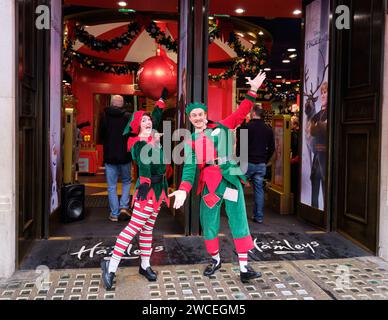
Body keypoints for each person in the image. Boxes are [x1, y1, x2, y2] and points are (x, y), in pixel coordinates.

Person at [169, 72, 266, 283]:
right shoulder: (191, 141)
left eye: (199, 114)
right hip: (210, 186)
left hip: (230, 179)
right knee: (209, 222)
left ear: (205, 114)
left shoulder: (221, 127)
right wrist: (183, 190)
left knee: (239, 220)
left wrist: (253, 90)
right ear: (190, 119)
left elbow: (241, 112)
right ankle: (215, 260)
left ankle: (244, 267)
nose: (197, 117)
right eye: (193, 115)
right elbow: (188, 169)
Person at [101, 89, 169, 289]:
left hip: (158, 191)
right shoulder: (139, 143)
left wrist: (161, 100)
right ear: (136, 127)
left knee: (147, 230)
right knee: (132, 229)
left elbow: (156, 115)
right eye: (143, 122)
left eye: (149, 121)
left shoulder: (151, 138)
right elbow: (144, 165)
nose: (148, 123)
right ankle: (111, 267)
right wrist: (146, 182)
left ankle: (145, 265)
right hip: (147, 191)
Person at [99, 95, 132, 222]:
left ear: (111, 103)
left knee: (111, 186)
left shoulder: (104, 116)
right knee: (126, 181)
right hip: (125, 155)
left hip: (109, 156)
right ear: (122, 104)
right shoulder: (128, 116)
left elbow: (101, 136)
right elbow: (133, 133)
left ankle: (114, 213)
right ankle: (124, 207)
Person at [242, 105, 274, 224]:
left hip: (247, 163)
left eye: (250, 112)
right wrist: (264, 161)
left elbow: (242, 148)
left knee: (238, 188)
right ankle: (259, 217)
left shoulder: (247, 127)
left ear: (254, 113)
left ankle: (238, 217)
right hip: (261, 164)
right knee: (259, 191)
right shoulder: (268, 129)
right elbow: (272, 148)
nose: (249, 114)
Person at [309, 82, 328, 209]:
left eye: (325, 92)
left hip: (325, 155)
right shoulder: (318, 114)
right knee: (315, 183)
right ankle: (314, 210)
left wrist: (318, 126)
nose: (322, 95)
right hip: (317, 154)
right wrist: (319, 125)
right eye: (322, 93)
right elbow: (312, 130)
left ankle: (324, 212)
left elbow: (321, 129)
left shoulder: (329, 112)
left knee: (325, 185)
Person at [290, 115, 300, 213]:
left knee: (294, 183)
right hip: (296, 160)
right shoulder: (295, 134)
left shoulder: (295, 135)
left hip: (295, 161)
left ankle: (295, 207)